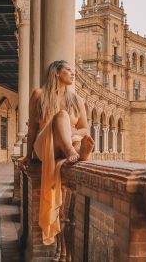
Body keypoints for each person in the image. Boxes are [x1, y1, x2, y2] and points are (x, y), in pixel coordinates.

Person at [23, 60, 95, 245]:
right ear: (56, 72)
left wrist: (69, 134)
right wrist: (28, 154)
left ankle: (80, 152)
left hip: (67, 143)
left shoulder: (77, 100)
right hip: (45, 145)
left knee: (78, 137)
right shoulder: (39, 95)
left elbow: (85, 128)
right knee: (62, 115)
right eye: (69, 70)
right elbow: (32, 128)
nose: (73, 74)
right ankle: (75, 151)